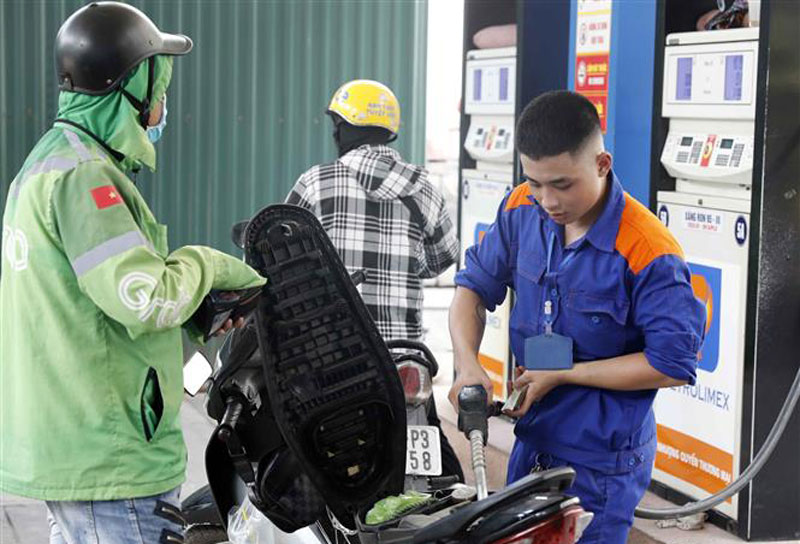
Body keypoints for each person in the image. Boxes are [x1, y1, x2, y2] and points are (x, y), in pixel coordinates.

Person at [0, 3, 265, 543]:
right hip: (110, 458)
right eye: (158, 88)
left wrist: (196, 314)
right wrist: (208, 265)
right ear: (130, 88)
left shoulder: (50, 162)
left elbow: (86, 301)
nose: (163, 105)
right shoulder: (85, 177)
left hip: (77, 446)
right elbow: (146, 298)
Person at [448, 90, 705, 543]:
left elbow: (670, 364)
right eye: (535, 182)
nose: (547, 200)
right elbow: (471, 289)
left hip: (601, 458)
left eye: (562, 184)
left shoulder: (647, 249)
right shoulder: (520, 208)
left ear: (602, 164)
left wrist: (566, 374)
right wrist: (467, 364)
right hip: (534, 438)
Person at [286, 79, 459, 342]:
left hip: (329, 347)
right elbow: (443, 259)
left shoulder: (316, 183)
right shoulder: (424, 190)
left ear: (343, 129)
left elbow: (281, 251)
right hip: (403, 350)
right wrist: (404, 263)